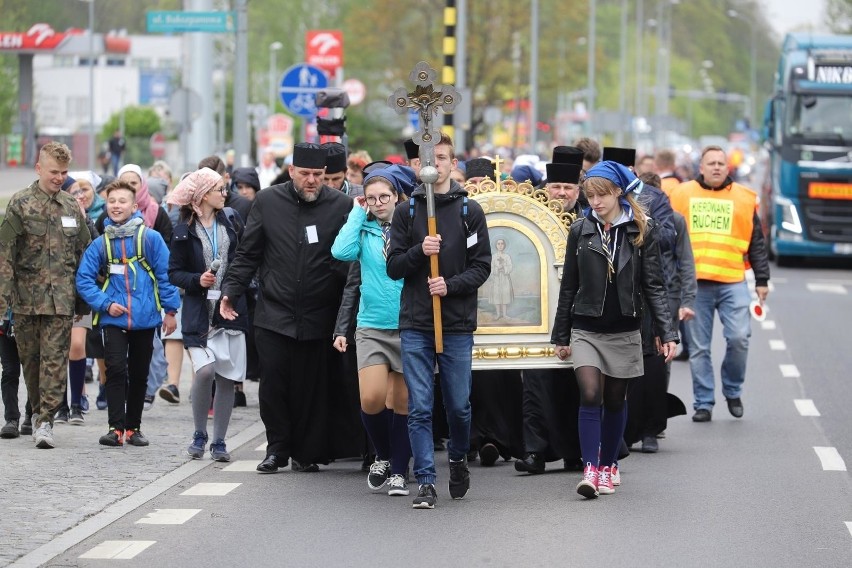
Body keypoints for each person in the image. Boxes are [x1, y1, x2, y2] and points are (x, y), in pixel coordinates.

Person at [220, 143, 354, 473]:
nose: (311, 180)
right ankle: (277, 447)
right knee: (275, 383)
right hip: (274, 312)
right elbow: (248, 253)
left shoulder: (342, 206)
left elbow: (348, 262)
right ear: (292, 171)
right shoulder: (267, 201)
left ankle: (305, 452)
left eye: (318, 175)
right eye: (305, 174)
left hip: (318, 312)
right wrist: (231, 291)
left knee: (309, 386)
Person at [552, 161, 677, 499]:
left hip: (624, 328)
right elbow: (569, 286)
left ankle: (608, 463)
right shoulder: (581, 229)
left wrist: (668, 332)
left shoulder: (641, 229)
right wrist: (561, 335)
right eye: (590, 196)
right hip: (586, 328)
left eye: (601, 195)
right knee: (590, 394)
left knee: (614, 398)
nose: (595, 202)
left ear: (618, 192)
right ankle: (590, 468)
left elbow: (654, 285)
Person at [386, 133, 491, 509]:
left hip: (457, 322)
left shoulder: (469, 211)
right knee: (419, 404)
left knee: (459, 405)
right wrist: (420, 251)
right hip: (416, 321)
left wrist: (451, 285)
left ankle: (459, 458)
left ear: (452, 163)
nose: (436, 165)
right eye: (429, 159)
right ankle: (426, 480)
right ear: (418, 166)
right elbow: (394, 266)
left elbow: (482, 266)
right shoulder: (406, 211)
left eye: (443, 158)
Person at [669, 146, 770, 422]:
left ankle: (733, 390)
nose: (716, 167)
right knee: (699, 348)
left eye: (721, 163)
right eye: (710, 163)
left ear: (728, 168)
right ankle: (704, 403)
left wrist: (762, 279)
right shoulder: (681, 194)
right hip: (695, 285)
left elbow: (756, 243)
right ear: (700, 167)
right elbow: (668, 236)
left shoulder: (744, 198)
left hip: (732, 281)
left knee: (739, 338)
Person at [331, 164, 416, 496]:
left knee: (403, 401)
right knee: (371, 398)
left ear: (397, 196)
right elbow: (340, 252)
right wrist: (356, 214)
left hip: (408, 323)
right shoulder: (363, 227)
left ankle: (399, 469)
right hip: (372, 325)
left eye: (385, 196)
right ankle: (383, 454)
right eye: (371, 198)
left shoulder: (411, 226)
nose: (379, 202)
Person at [0, 142, 91, 448]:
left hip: (62, 301)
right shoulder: (19, 204)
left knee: (54, 362)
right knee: (31, 364)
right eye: (54, 171)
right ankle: (38, 411)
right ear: (39, 168)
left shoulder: (71, 207)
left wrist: (83, 300)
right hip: (25, 300)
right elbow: (5, 255)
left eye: (64, 172)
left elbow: (85, 255)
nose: (59, 177)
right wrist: (3, 302)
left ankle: (45, 422)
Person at [76, 180, 180, 446]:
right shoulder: (101, 244)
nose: (116, 206)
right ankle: (115, 428)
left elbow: (165, 276)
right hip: (113, 317)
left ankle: (133, 428)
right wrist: (104, 303)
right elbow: (84, 279)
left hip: (146, 318)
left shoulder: (151, 238)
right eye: (111, 201)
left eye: (122, 201)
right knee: (115, 369)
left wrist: (170, 311)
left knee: (139, 372)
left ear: (134, 206)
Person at [168, 168, 246, 462]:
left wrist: (236, 288)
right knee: (205, 371)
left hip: (231, 309)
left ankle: (220, 441)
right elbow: (173, 272)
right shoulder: (183, 229)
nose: (225, 194)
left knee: (227, 377)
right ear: (202, 196)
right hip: (198, 314)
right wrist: (196, 280)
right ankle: (199, 432)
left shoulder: (232, 220)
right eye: (219, 189)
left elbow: (243, 260)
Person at [515, 154, 585, 475]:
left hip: (578, 314)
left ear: (578, 190)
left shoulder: (588, 220)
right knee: (535, 385)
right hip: (538, 313)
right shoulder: (534, 217)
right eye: (555, 185)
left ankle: (576, 451)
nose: (561, 192)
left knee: (575, 386)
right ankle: (534, 452)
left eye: (568, 187)